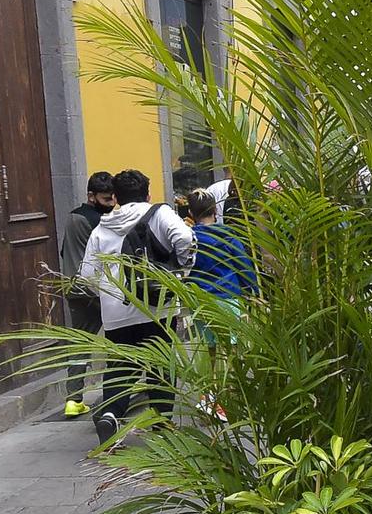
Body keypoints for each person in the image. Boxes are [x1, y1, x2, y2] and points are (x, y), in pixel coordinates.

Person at [79, 168, 197, 442]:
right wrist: (180, 272)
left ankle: (111, 416)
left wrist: (109, 293)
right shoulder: (160, 213)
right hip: (157, 309)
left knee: (119, 367)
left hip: (116, 313)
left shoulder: (101, 228)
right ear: (147, 193)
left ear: (116, 197)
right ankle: (162, 424)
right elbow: (186, 239)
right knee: (160, 366)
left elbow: (87, 275)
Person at [56, 172, 116, 419]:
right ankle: (115, 395)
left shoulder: (72, 217)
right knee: (117, 341)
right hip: (98, 290)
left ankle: (73, 400)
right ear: (91, 196)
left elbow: (63, 252)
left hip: (73, 289)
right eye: (106, 199)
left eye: (113, 198)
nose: (111, 204)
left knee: (80, 345)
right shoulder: (101, 222)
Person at [185, 188, 255, 304]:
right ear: (215, 210)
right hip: (229, 297)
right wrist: (253, 291)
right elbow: (244, 266)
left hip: (200, 301)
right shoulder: (228, 237)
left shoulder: (188, 239)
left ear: (190, 213)